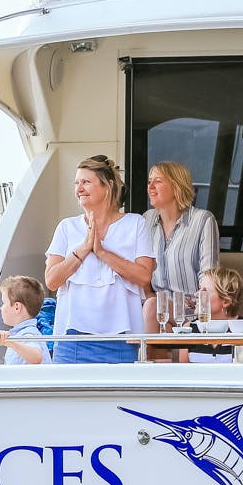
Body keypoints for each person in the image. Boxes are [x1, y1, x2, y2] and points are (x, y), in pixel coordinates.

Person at [45, 155, 157, 364]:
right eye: (77, 183)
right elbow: (51, 280)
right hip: (72, 341)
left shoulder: (135, 224)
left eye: (86, 182)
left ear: (107, 186)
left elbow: (144, 277)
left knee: (123, 398)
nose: (79, 188)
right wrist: (84, 249)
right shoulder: (66, 227)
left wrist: (102, 252)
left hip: (123, 340)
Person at [141, 161, 220, 335]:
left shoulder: (202, 220)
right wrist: (148, 296)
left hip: (193, 311)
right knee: (152, 308)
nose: (151, 187)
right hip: (158, 310)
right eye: (149, 181)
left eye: (158, 181)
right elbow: (142, 272)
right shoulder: (146, 220)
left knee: (153, 311)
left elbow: (209, 275)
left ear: (177, 186)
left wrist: (199, 306)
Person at [180, 267, 243, 363]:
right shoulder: (188, 329)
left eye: (205, 291)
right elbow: (183, 374)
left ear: (226, 301)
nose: (196, 294)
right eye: (199, 289)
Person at [0, 275, 47, 365]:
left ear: (17, 307)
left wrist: (10, 342)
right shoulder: (23, 333)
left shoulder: (28, 333)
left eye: (4, 303)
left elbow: (36, 357)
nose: (1, 308)